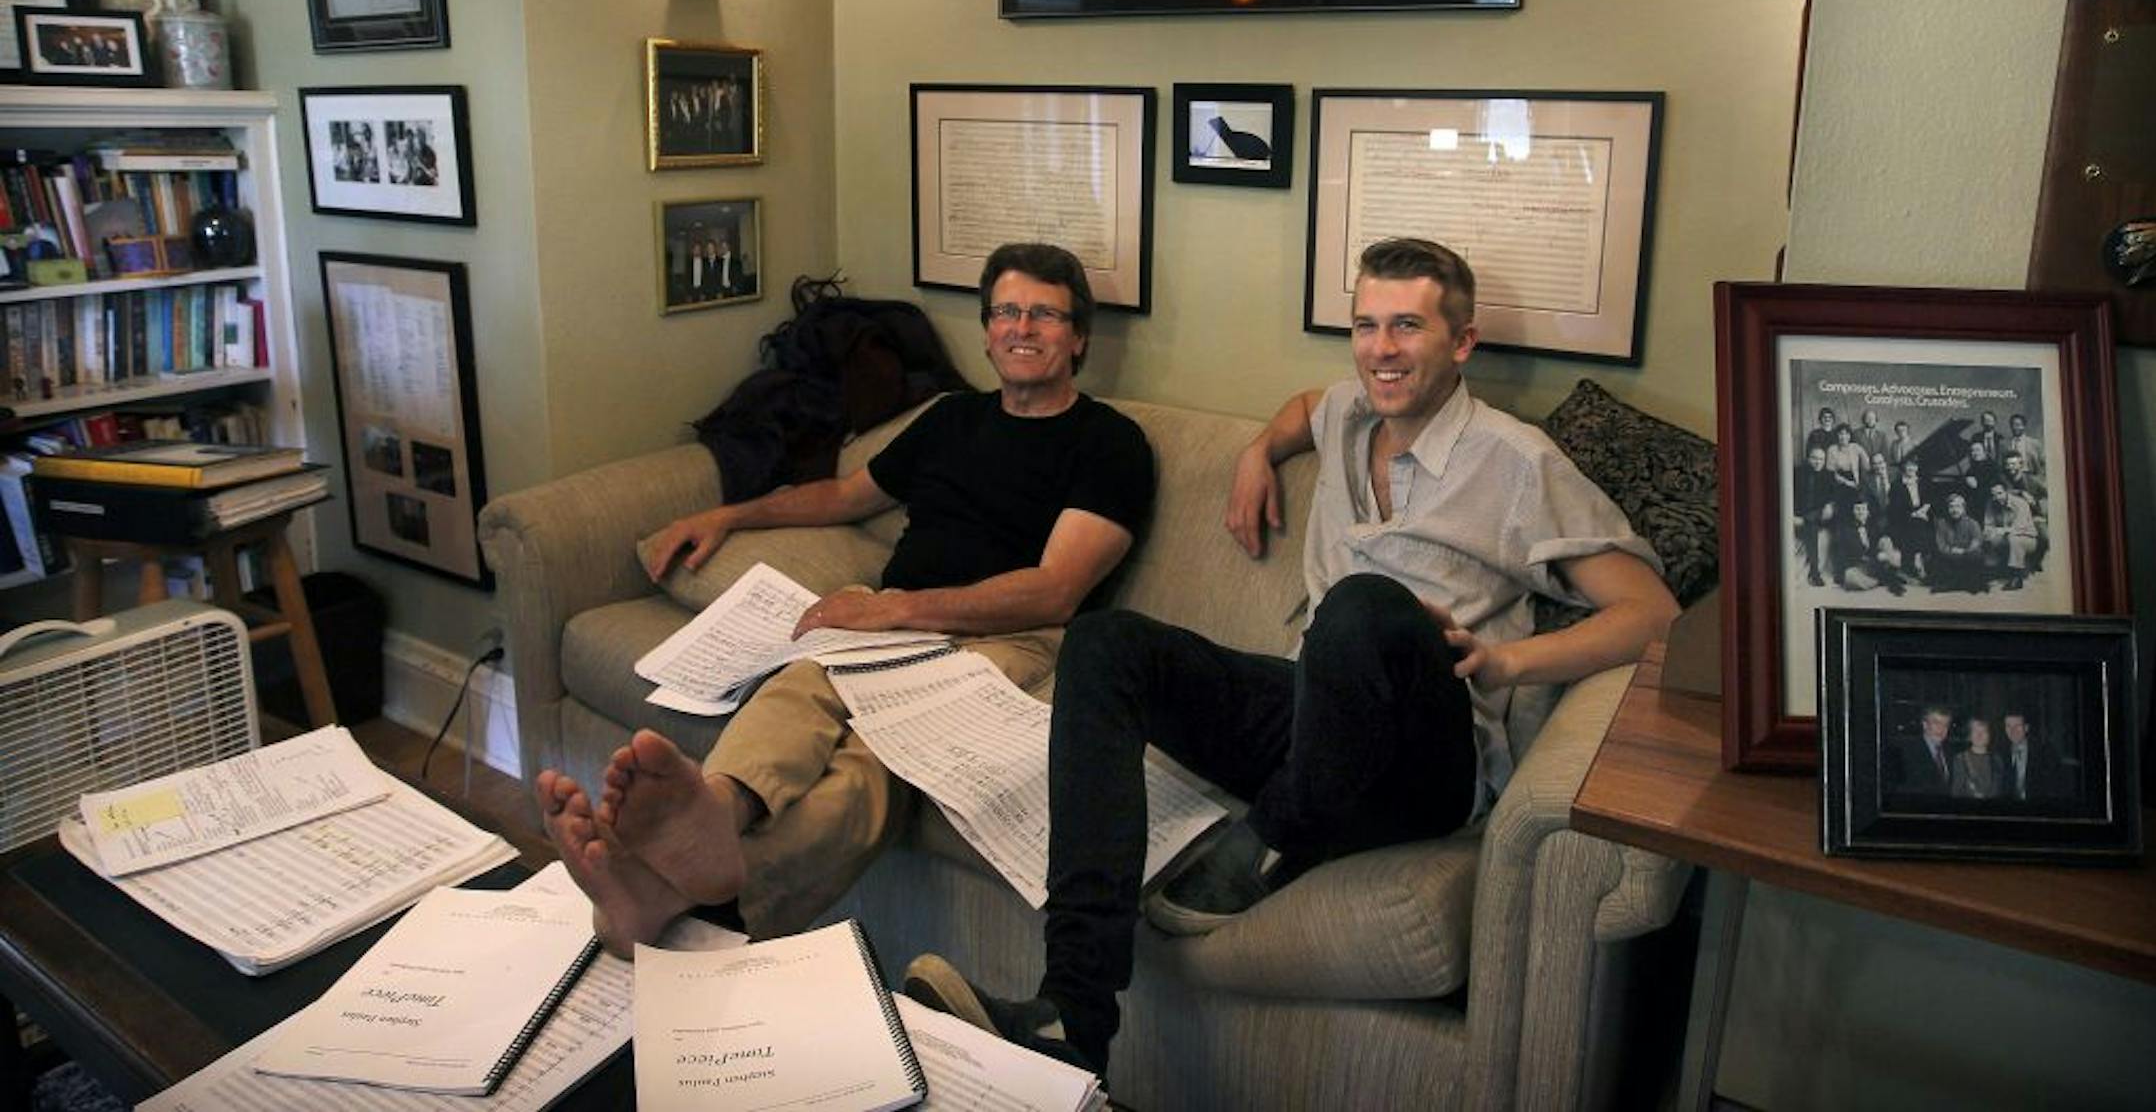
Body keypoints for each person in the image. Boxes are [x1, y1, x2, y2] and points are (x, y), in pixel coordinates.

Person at [898, 238, 1676, 1080]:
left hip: (1428, 755)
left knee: (1365, 602)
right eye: (1366, 325)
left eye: (1408, 327)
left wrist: (1509, 662)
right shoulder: (1346, 412)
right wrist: (1254, 455)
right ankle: (1072, 1014)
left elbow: (1651, 613)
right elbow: (1304, 405)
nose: (1382, 349)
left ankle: (1275, 833)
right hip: (1315, 714)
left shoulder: (1518, 462)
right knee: (1105, 642)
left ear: (1461, 342)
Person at [534, 242, 1155, 953]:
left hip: (1009, 637)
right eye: (1008, 311)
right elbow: (840, 495)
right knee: (799, 685)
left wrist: (889, 608)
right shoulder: (953, 419)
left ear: (1077, 337)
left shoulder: (1111, 443)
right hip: (891, 616)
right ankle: (715, 809)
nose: (1023, 327)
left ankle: (703, 885)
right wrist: (727, 514)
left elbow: (1055, 589)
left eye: (1045, 314)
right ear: (986, 329)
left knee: (880, 751)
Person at [1793, 444, 1840, 586]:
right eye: (1814, 458)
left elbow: (1836, 496)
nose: (1818, 462)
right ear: (1808, 458)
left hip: (1821, 515)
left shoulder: (1829, 475)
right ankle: (1814, 573)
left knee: (1839, 526)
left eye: (1821, 459)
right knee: (1811, 528)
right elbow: (1789, 495)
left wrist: (1831, 504)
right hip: (1802, 515)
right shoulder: (1797, 473)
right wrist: (1792, 515)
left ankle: (1840, 572)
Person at [1980, 482, 2039, 590]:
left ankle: (2016, 577)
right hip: (2005, 536)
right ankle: (1993, 570)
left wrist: (2000, 530)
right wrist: (1990, 533)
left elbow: (2019, 527)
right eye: (1993, 495)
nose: (1997, 497)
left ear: (2006, 492)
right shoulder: (1991, 503)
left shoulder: (2020, 503)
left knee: (2014, 538)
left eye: (1999, 493)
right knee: (1987, 537)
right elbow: (1988, 526)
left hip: (2027, 539)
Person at [2001, 710, 2069, 802]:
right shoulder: (2001, 753)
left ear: (2026, 728)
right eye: (2008, 726)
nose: (2013, 731)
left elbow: (2055, 786)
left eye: (2017, 726)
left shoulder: (2044, 751)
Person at [1888, 704, 1957, 794]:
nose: (1941, 729)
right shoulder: (1906, 751)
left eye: (1946, 725)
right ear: (1925, 725)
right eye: (1936, 723)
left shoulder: (1951, 751)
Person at [1932, 492, 1987, 593]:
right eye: (1951, 507)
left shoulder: (1972, 523)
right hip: (1949, 557)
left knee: (1977, 554)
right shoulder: (1942, 523)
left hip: (1966, 556)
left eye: (1957, 506)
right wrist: (1951, 550)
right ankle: (1951, 583)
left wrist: (1964, 551)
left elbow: (1977, 541)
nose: (1954, 510)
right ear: (1948, 509)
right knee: (1936, 556)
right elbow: (1940, 544)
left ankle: (1968, 583)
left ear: (1963, 508)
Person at [1951, 716, 2003, 799]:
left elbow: (2000, 790)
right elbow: (1956, 791)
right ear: (1969, 735)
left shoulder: (1997, 760)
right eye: (1975, 731)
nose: (1979, 735)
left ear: (1989, 736)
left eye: (1984, 731)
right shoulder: (1960, 759)